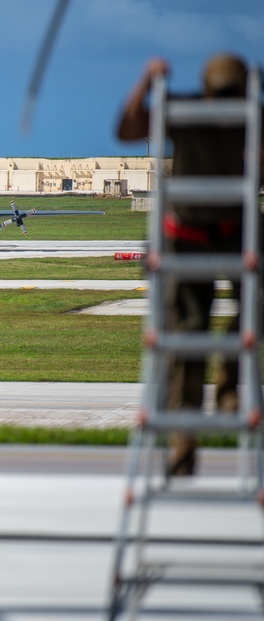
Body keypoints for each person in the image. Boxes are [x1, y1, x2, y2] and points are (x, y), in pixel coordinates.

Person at [117, 53, 262, 475]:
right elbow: (127, 129)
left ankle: (230, 382)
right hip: (184, 236)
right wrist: (146, 80)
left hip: (235, 227)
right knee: (186, 337)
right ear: (206, 93)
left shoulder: (251, 115)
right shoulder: (187, 111)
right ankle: (183, 445)